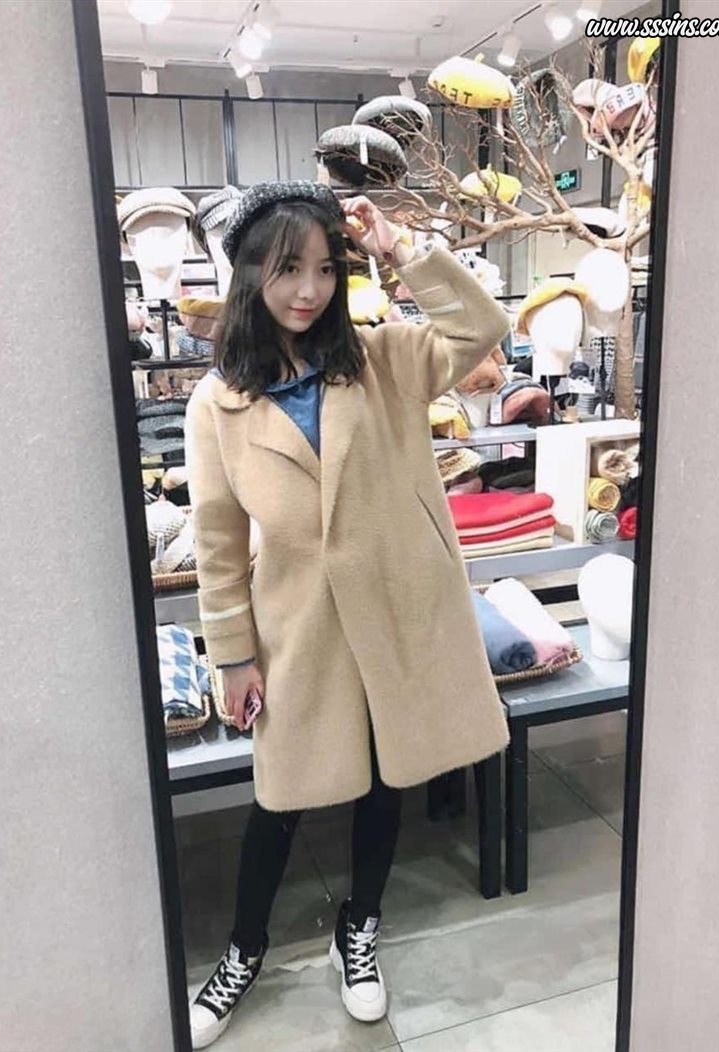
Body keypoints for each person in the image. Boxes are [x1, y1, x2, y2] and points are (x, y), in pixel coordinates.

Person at [184, 181, 510, 1048]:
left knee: (388, 776)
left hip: (400, 608)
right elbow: (217, 541)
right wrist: (232, 657)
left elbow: (480, 328)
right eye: (288, 268)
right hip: (299, 628)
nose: (309, 289)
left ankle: (357, 927)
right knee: (281, 796)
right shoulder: (217, 402)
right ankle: (244, 950)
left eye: (326, 268)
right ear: (251, 272)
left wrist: (403, 249)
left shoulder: (380, 359)